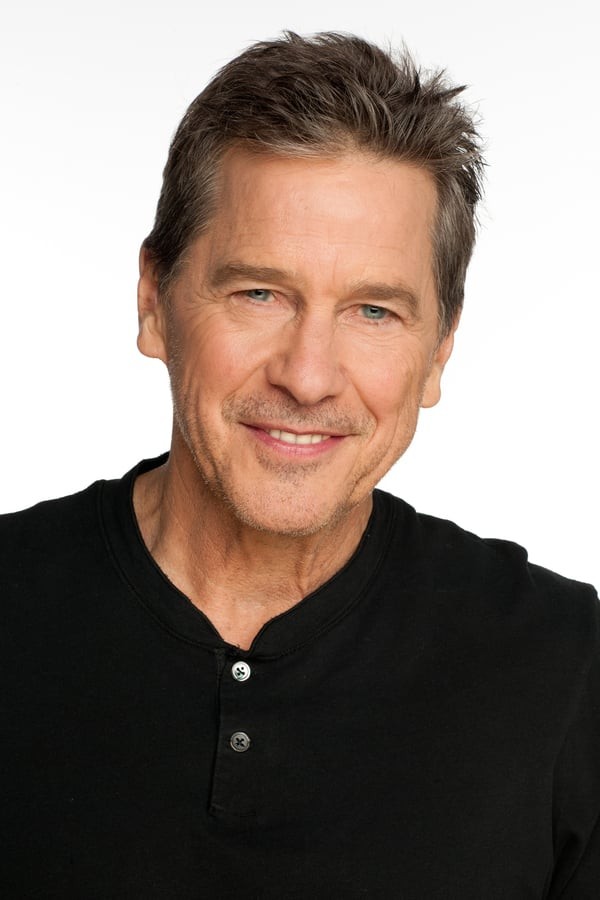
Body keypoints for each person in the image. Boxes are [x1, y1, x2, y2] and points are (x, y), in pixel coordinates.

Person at [2, 31, 598, 899]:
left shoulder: (567, 669)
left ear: (439, 350)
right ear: (154, 302)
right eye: (259, 293)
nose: (308, 376)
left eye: (374, 311)